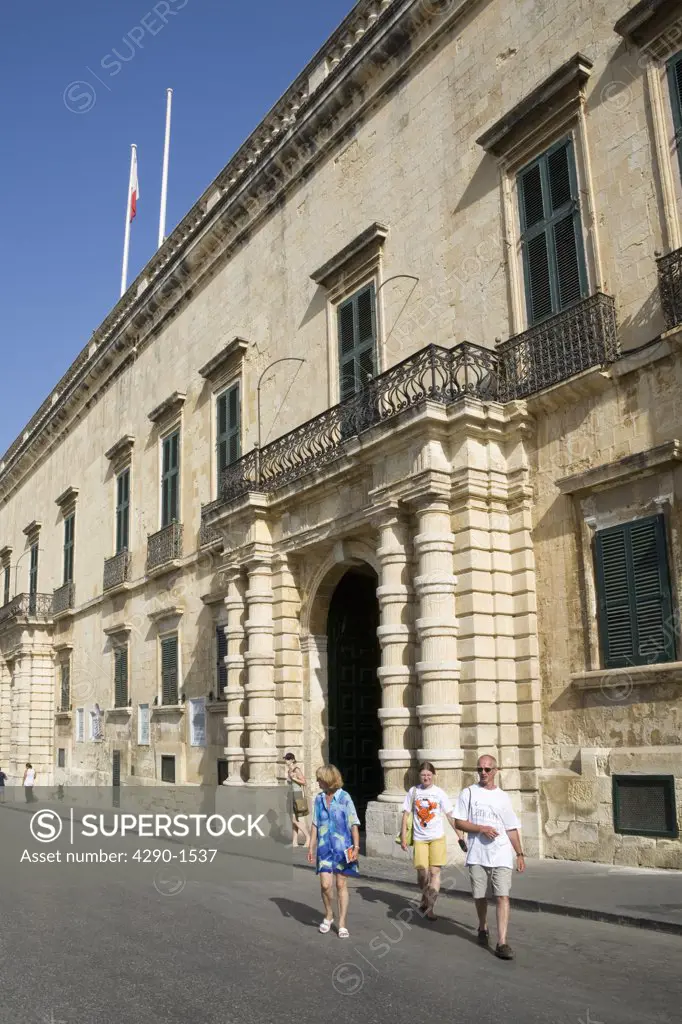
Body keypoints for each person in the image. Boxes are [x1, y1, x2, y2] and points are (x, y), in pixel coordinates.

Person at [454, 753, 525, 960]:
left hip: (501, 854)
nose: (483, 773)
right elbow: (459, 822)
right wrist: (481, 828)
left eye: (487, 769)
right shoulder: (468, 793)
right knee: (480, 896)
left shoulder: (503, 796)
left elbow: (511, 827)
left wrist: (519, 853)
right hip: (477, 854)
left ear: (495, 771)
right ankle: (483, 926)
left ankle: (502, 942)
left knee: (502, 896)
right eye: (479, 769)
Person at [400, 761, 466, 920]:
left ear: (433, 776)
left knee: (434, 872)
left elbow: (450, 816)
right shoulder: (413, 791)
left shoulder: (439, 793)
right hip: (420, 838)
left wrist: (460, 835)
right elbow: (406, 815)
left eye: (429, 775)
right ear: (419, 776)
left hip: (437, 838)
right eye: (423, 775)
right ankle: (424, 896)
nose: (426, 778)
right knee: (422, 873)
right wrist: (403, 836)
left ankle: (430, 907)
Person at [307, 764, 360, 939]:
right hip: (324, 848)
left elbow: (353, 823)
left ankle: (342, 923)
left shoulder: (345, 798)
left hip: (343, 848)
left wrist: (356, 847)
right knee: (325, 885)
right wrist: (311, 846)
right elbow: (315, 823)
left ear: (328, 779)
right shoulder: (319, 799)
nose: (317, 782)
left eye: (319, 779)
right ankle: (329, 914)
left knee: (341, 885)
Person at [284, 752, 311, 849]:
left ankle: (308, 837)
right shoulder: (289, 770)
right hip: (290, 795)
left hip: (297, 795)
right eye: (285, 759)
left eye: (287, 759)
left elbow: (304, 782)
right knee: (293, 819)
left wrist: (294, 778)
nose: (285, 761)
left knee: (294, 819)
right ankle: (294, 842)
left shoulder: (296, 770)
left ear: (291, 760)